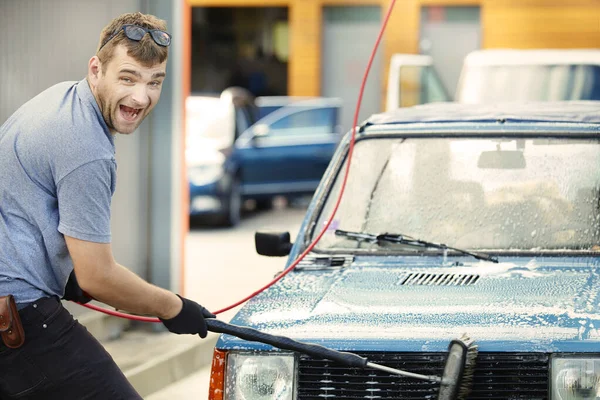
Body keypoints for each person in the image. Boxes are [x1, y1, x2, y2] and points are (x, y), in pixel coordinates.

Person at [0, 12, 214, 399]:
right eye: (128, 77)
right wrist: (172, 306)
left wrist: (66, 277)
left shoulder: (61, 98)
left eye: (155, 82)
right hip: (19, 316)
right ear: (96, 69)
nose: (140, 97)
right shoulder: (88, 149)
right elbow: (97, 276)